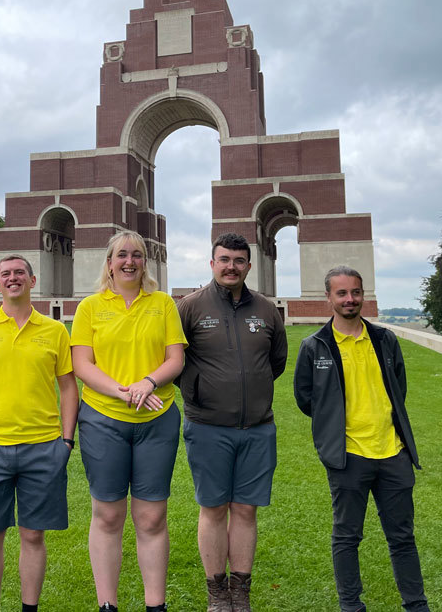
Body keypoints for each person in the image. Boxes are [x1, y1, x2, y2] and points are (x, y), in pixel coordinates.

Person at [294, 266, 430, 612]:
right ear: (329, 297)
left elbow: (398, 387)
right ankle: (351, 605)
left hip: (393, 453)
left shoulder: (385, 339)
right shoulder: (315, 346)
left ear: (363, 294)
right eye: (341, 293)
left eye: (355, 292)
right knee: (347, 536)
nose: (350, 299)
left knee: (402, 537)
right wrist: (334, 427)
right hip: (348, 456)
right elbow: (305, 397)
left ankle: (416, 605)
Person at [0, 254, 78, 612]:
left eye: (19, 272)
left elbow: (68, 387)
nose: (12, 278)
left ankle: (29, 608)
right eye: (5, 274)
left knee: (33, 534)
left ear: (32, 281)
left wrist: (66, 440)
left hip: (43, 446)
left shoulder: (54, 331)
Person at [70, 230, 187, 612]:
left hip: (157, 418)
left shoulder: (163, 305)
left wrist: (148, 382)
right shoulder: (89, 308)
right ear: (109, 262)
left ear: (145, 263)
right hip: (103, 419)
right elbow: (82, 365)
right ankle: (108, 605)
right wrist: (124, 391)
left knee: (152, 516)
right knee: (107, 514)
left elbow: (175, 359)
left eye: (137, 255)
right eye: (122, 255)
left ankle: (156, 605)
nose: (130, 261)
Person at [176, 233, 287, 612]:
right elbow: (174, 361)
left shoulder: (267, 310)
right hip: (207, 427)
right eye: (224, 260)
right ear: (212, 263)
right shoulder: (189, 308)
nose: (231, 267)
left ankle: (241, 591)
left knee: (245, 510)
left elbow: (276, 362)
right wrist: (200, 390)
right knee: (213, 509)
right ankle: (217, 593)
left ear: (249, 266)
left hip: (257, 428)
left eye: (239, 261)